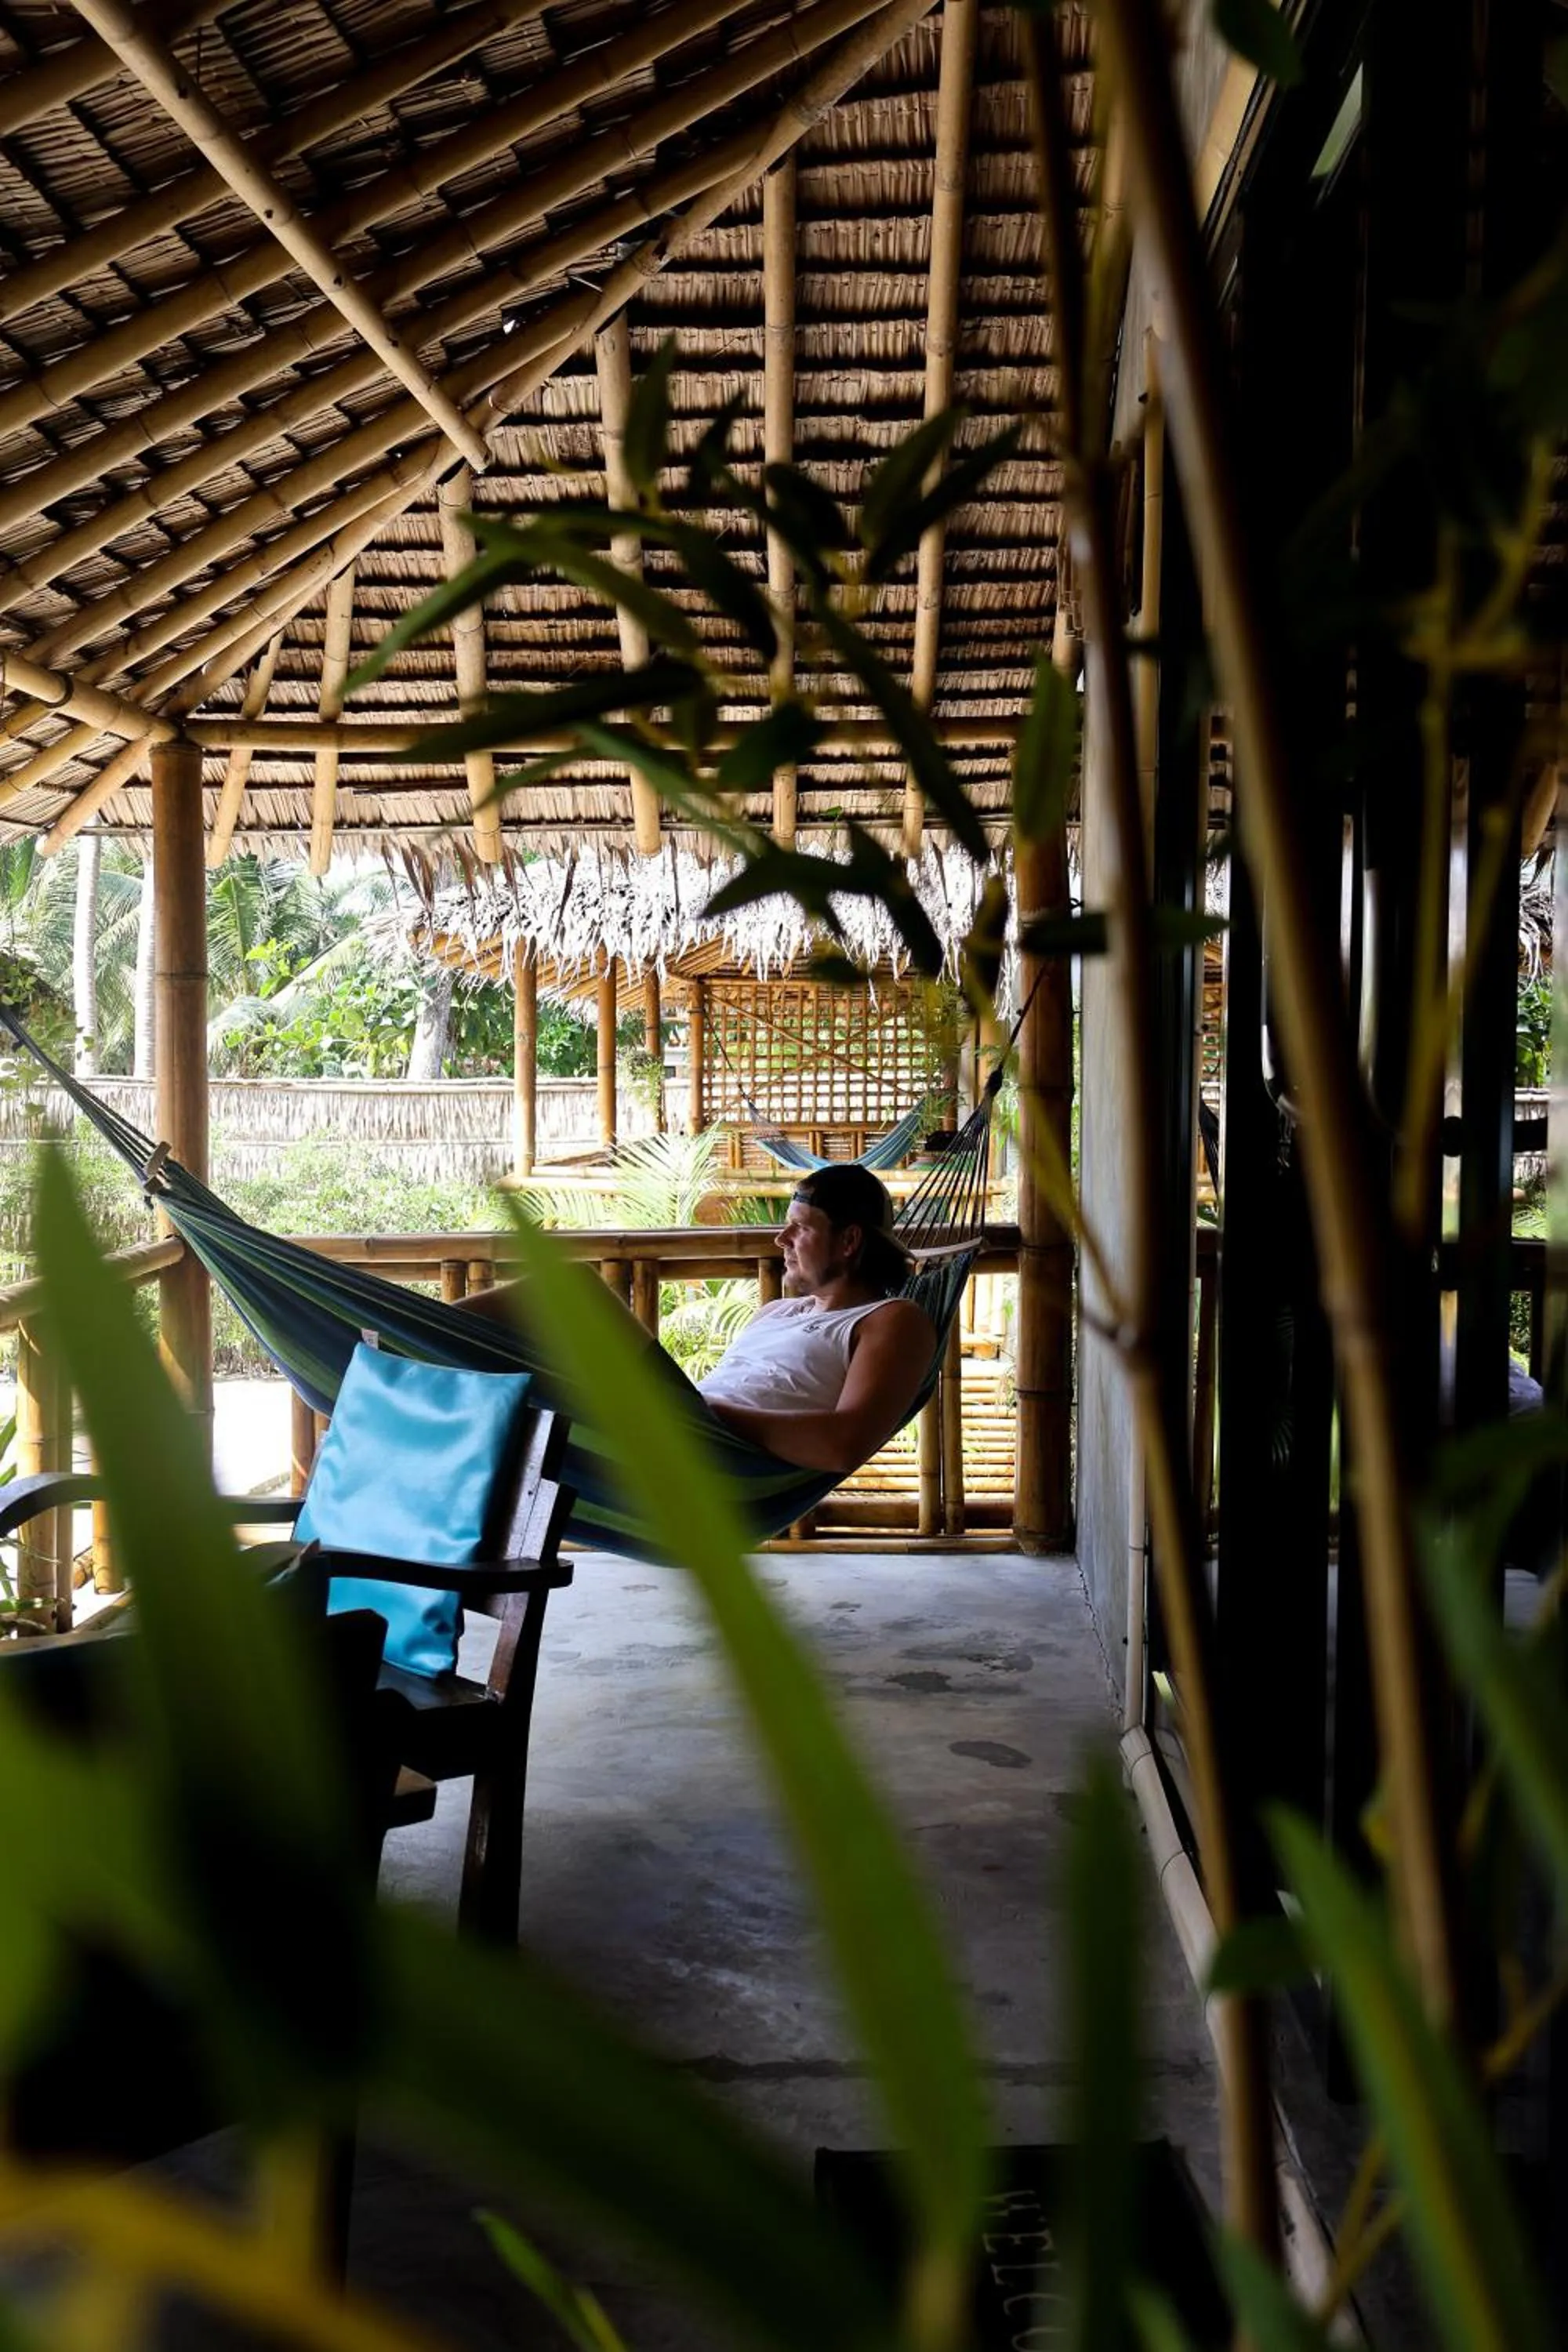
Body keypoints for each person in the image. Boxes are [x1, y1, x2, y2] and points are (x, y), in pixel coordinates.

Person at [696, 1163, 935, 1473]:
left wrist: (708, 1414)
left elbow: (844, 1446)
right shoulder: (774, 1312)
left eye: (801, 1227)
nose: (782, 1239)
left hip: (713, 1457)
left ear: (849, 1241)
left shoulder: (891, 1321)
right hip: (679, 1434)